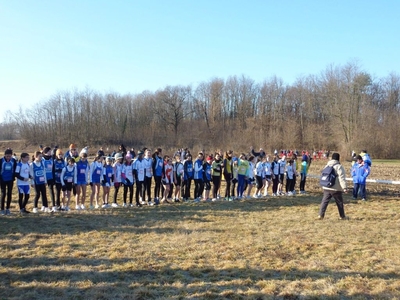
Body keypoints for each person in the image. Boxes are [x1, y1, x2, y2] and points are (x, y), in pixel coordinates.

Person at [317, 152, 349, 220]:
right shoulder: (339, 166)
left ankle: (320, 215)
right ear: (338, 158)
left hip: (327, 186)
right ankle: (342, 216)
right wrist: (344, 188)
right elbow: (341, 178)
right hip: (335, 188)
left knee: (324, 202)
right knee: (339, 203)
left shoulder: (327, 165)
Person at [0, 148, 17, 215]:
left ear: (11, 155)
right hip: (2, 179)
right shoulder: (1, 160)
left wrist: (14, 176)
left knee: (9, 193)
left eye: (9, 156)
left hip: (10, 179)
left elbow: (15, 169)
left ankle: (8, 209)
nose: (8, 157)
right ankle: (2, 209)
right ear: (4, 155)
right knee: (3, 194)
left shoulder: (13, 160)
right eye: (7, 156)